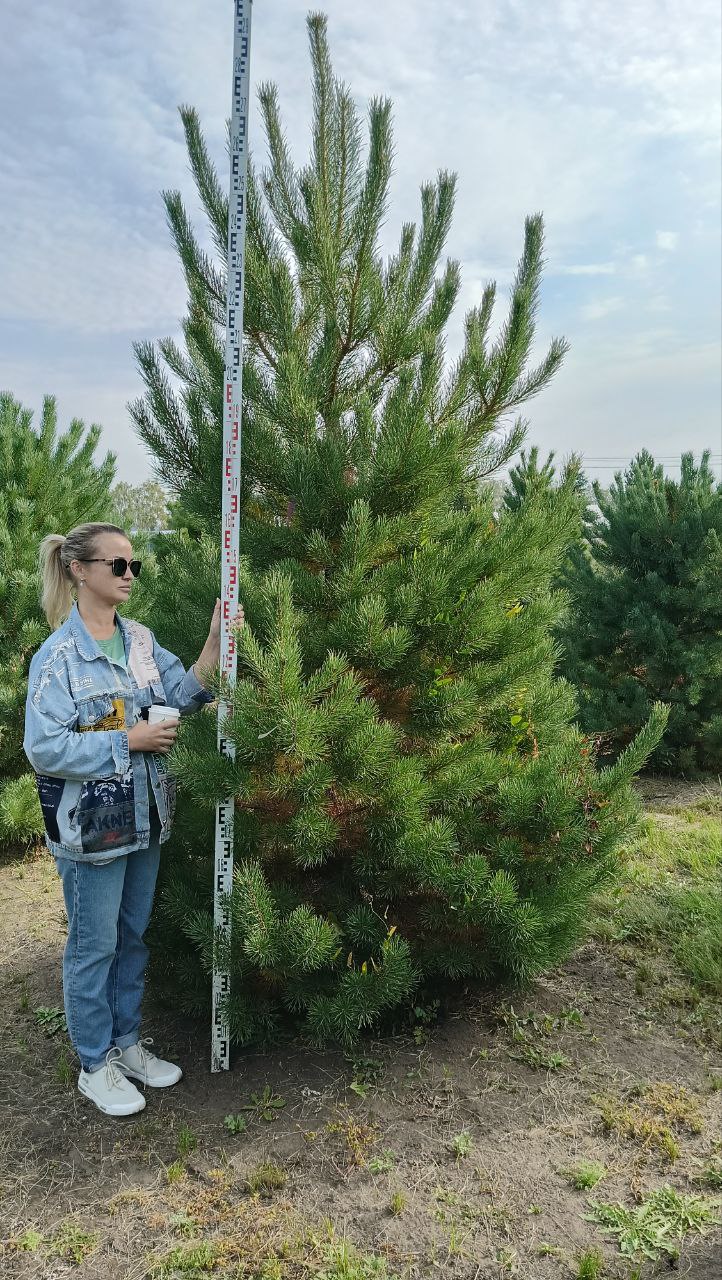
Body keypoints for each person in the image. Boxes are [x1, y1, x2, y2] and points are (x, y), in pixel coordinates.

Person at [23, 522, 244, 1117]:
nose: (128, 575)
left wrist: (214, 640)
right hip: (92, 832)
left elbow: (185, 691)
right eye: (116, 565)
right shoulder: (58, 658)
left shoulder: (141, 641)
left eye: (132, 565)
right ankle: (94, 1064)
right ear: (79, 570)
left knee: (131, 938)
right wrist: (130, 739)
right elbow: (44, 747)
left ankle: (125, 1043)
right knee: (93, 947)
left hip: (146, 820)